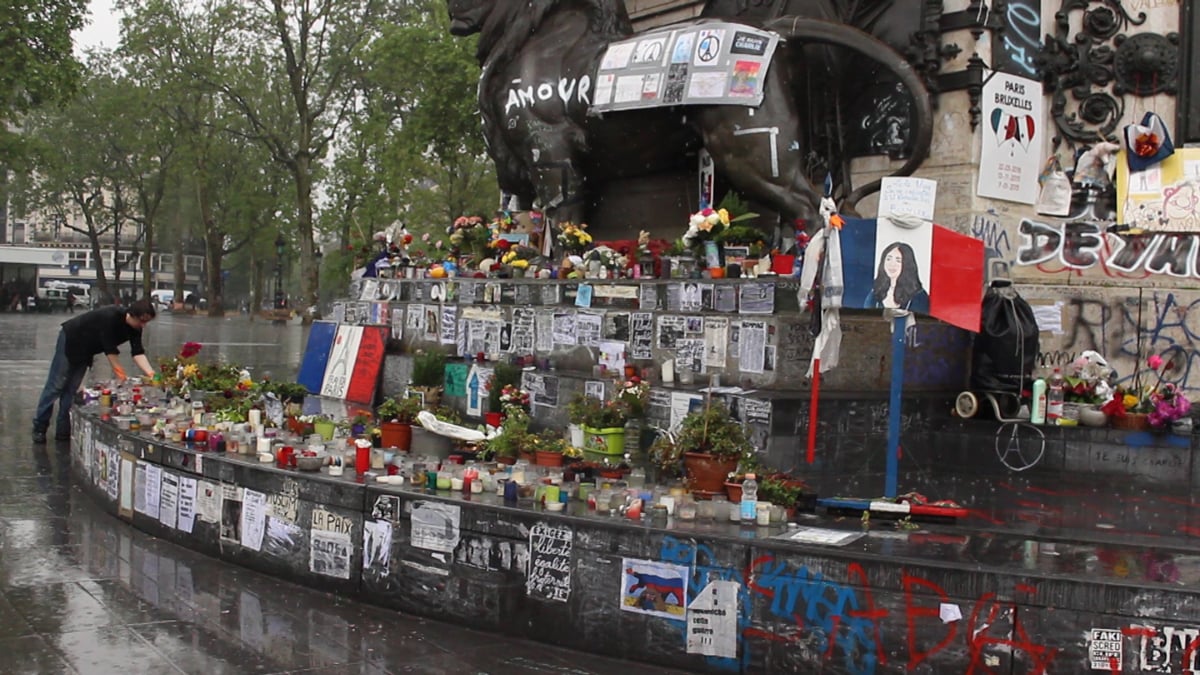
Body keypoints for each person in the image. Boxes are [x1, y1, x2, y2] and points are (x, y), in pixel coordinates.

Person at [32, 299, 158, 443]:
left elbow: (138, 352)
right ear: (131, 315)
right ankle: (39, 427)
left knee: (71, 389)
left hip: (87, 350)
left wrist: (152, 374)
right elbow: (110, 350)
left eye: (146, 322)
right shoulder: (110, 317)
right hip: (71, 338)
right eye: (141, 321)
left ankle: (63, 431)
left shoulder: (135, 329)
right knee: (56, 386)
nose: (143, 325)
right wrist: (121, 375)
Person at [866, 241, 929, 314]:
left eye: (898, 260)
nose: (892, 264)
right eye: (889, 259)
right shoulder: (876, 292)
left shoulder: (919, 296)